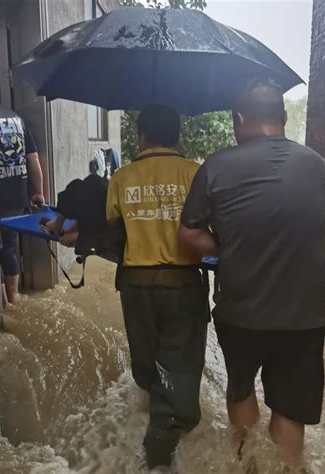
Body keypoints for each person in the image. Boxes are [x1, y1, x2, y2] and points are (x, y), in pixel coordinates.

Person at [179, 79, 325, 468]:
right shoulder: (317, 165)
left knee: (241, 387)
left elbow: (189, 235)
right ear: (282, 118)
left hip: (241, 312)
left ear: (240, 119)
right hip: (305, 316)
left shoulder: (216, 166)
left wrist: (226, 246)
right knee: (290, 408)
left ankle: (246, 461)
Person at [106, 104, 210, 470]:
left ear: (142, 136)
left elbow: (113, 234)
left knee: (147, 362)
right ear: (176, 136)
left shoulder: (121, 177)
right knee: (180, 365)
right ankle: (163, 451)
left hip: (136, 288)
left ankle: (153, 426)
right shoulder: (197, 174)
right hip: (183, 287)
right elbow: (209, 234)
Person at [0, 98, 45, 304]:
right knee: (9, 246)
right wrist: (38, 192)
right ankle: (13, 299)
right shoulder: (15, 118)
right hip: (16, 195)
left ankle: (1, 305)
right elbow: (34, 158)